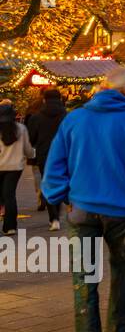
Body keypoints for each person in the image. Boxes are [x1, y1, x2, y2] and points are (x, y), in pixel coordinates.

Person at [41, 66, 125, 332]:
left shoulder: (75, 119)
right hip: (122, 212)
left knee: (85, 281)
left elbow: (54, 165)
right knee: (123, 274)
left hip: (82, 211)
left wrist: (61, 196)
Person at [25, 87, 67, 230]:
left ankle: (53, 217)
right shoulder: (66, 116)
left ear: (44, 100)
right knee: (60, 183)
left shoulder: (36, 117)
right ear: (60, 99)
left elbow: (32, 138)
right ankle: (58, 211)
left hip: (44, 154)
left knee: (47, 184)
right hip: (64, 154)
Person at [0, 103, 34, 235]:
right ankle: (10, 226)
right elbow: (27, 149)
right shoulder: (21, 129)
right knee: (10, 195)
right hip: (15, 167)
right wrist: (32, 155)